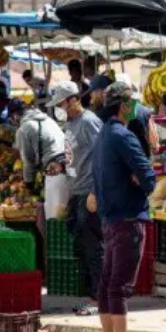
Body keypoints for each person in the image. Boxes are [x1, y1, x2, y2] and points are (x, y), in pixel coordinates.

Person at [91, 82, 157, 332]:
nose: (136, 108)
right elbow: (149, 178)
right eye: (133, 103)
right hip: (128, 217)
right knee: (118, 286)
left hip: (109, 218)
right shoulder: (123, 136)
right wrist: (139, 179)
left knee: (108, 284)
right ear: (123, 106)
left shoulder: (104, 135)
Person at [47, 81, 104, 314]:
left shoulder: (89, 122)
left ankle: (100, 298)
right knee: (81, 245)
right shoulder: (70, 124)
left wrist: (95, 191)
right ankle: (92, 294)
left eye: (60, 103)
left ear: (73, 99)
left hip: (88, 193)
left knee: (93, 247)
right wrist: (61, 166)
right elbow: (75, 155)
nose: (58, 108)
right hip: (75, 191)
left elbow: (103, 155)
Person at [10, 99, 66, 191]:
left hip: (54, 168)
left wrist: (29, 185)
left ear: (15, 116)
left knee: (55, 204)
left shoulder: (24, 129)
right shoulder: (48, 119)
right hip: (70, 162)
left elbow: (28, 160)